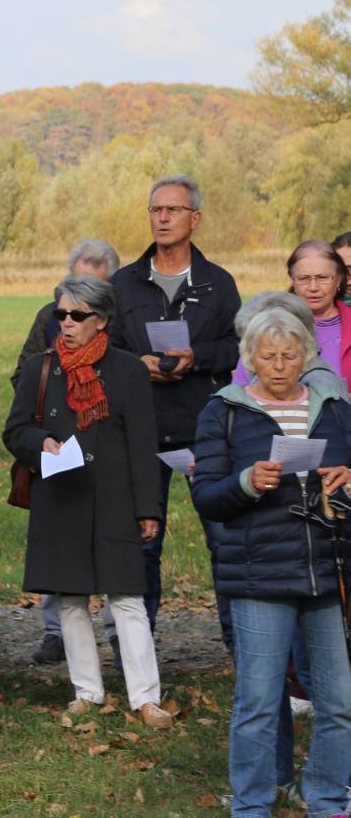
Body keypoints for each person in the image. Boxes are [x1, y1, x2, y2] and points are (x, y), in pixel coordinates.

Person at [191, 306, 351, 818]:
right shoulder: (225, 411)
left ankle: (326, 798)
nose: (280, 365)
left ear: (306, 357)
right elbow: (208, 496)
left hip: (328, 569)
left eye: (289, 355)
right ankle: (253, 804)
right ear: (250, 359)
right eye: (268, 356)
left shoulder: (334, 407)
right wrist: (246, 483)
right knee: (258, 704)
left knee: (340, 704)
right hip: (258, 574)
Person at [2, 277, 173, 727]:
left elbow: (143, 443)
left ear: (101, 321)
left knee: (127, 599)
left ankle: (145, 698)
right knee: (70, 599)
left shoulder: (128, 371)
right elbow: (14, 431)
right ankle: (87, 691)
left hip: (115, 498)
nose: (67, 323)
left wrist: (148, 508)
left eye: (78, 315)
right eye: (61, 314)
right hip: (62, 495)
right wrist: (43, 443)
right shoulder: (43, 368)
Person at [109, 175, 241, 645]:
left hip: (204, 430)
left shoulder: (218, 283)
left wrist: (196, 358)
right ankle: (136, 654)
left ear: (195, 219)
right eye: (155, 210)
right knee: (142, 545)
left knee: (225, 542)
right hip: (139, 432)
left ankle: (242, 646)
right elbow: (103, 349)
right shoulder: (122, 284)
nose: (162, 218)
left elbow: (236, 349)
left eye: (172, 210)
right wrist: (134, 365)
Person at [8, 238, 121, 666]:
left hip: (104, 446)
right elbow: (25, 369)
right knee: (58, 542)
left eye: (91, 292)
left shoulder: (119, 321)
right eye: (71, 293)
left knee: (114, 548)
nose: (73, 314)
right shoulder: (47, 318)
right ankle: (56, 632)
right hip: (58, 447)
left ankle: (116, 631)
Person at [234, 241, 349, 386]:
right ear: (293, 280)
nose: (313, 287)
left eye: (322, 278)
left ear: (338, 279)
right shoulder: (269, 325)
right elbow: (241, 388)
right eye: (304, 278)